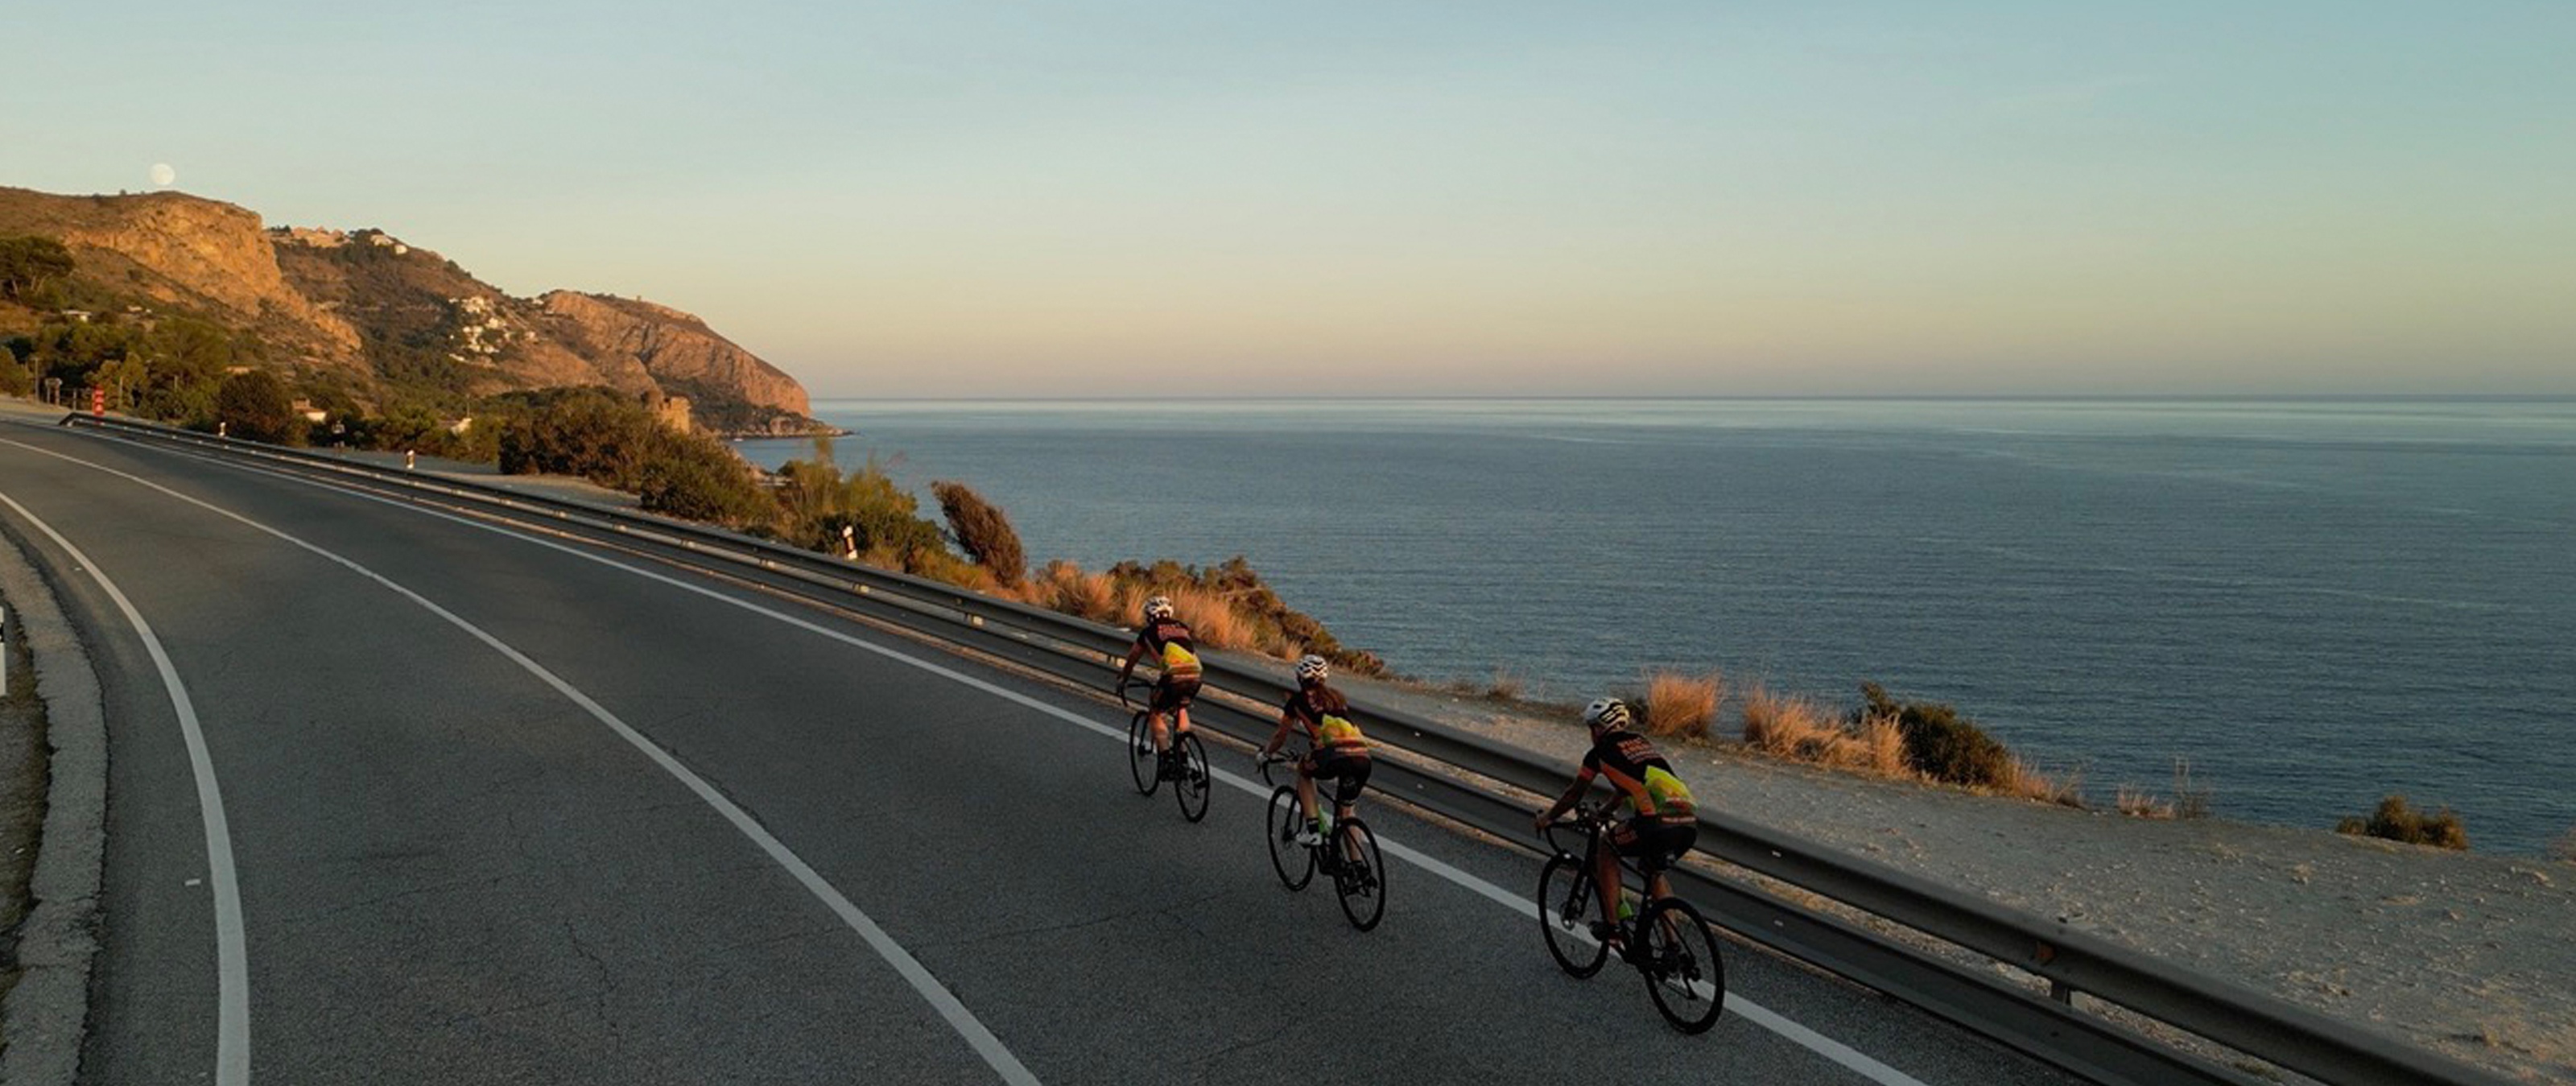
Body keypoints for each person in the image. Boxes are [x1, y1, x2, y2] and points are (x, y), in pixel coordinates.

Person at [1532, 697, 1699, 958]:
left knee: (1606, 846)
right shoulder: (1641, 743)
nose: (1591, 734)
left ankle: (1613, 928)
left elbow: (1574, 794)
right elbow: (1626, 788)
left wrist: (1549, 817)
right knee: (1653, 872)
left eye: (1591, 728)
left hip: (1655, 823)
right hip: (1688, 821)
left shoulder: (1598, 754)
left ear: (1599, 728)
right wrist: (1606, 812)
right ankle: (1673, 949)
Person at [1257, 654, 1373, 851]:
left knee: (1303, 771)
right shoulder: (1337, 697)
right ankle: (1357, 866)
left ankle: (1313, 831)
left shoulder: (1297, 701)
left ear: (1300, 678)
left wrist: (1265, 754)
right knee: (1346, 813)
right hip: (1362, 756)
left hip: (1333, 755)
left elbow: (1280, 736)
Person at [1117, 595, 1203, 778]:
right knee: (1181, 709)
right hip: (1195, 676)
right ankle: (1183, 759)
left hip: (1172, 678)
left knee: (1156, 712)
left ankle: (1166, 760)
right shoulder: (1182, 627)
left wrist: (1124, 679)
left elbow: (1133, 658)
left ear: (1149, 616)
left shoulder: (1148, 632)